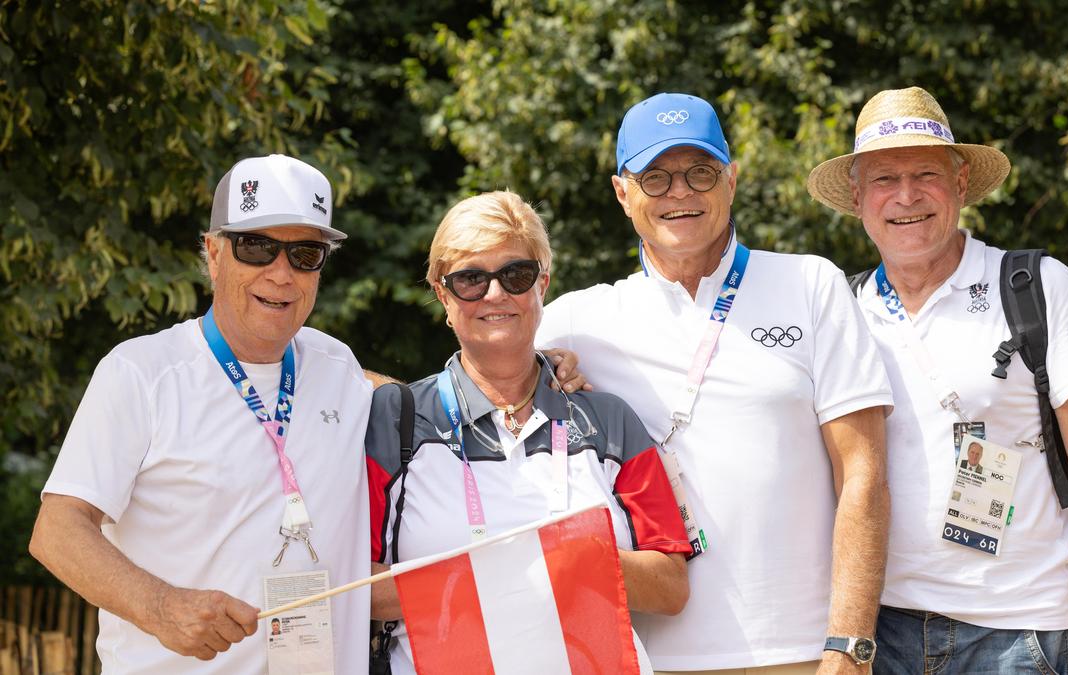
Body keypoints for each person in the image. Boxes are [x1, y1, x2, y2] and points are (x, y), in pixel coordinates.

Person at [537, 92, 894, 674]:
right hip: (643, 656)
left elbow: (865, 473)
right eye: (654, 178)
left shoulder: (809, 283)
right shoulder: (576, 321)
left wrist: (849, 644)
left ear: (730, 179)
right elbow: (469, 397)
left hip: (802, 653)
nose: (679, 192)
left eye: (699, 171)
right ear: (622, 194)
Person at [806, 86, 1068, 674]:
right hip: (878, 633)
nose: (906, 197)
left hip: (1019, 635)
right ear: (857, 197)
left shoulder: (1036, 287)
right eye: (884, 179)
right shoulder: (841, 309)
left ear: (960, 184)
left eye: (925, 174)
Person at [29, 154, 373, 673]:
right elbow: (57, 531)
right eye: (256, 247)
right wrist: (161, 606)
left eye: (306, 253)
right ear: (213, 254)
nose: (281, 273)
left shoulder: (338, 366)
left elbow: (417, 397)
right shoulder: (141, 373)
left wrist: (536, 369)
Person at [369, 190, 693, 674]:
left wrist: (577, 557)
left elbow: (670, 586)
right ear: (442, 293)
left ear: (543, 282)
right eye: (471, 279)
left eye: (515, 275)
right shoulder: (396, 419)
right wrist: (489, 571)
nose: (495, 294)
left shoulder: (606, 418)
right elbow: (348, 586)